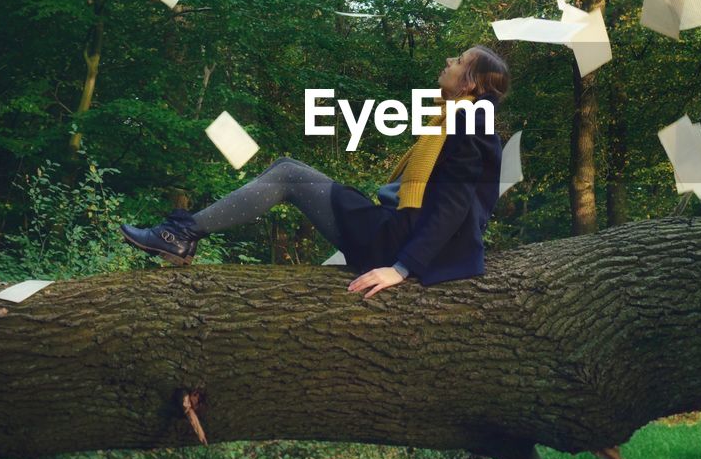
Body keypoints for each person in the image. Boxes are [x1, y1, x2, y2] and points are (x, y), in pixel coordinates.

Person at [120, 46, 509, 297]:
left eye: (458, 61)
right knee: (287, 168)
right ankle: (182, 234)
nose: (448, 62)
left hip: (395, 243)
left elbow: (457, 203)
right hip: (393, 228)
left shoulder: (472, 121)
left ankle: (180, 235)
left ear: (471, 82)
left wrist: (402, 269)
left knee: (288, 174)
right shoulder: (462, 117)